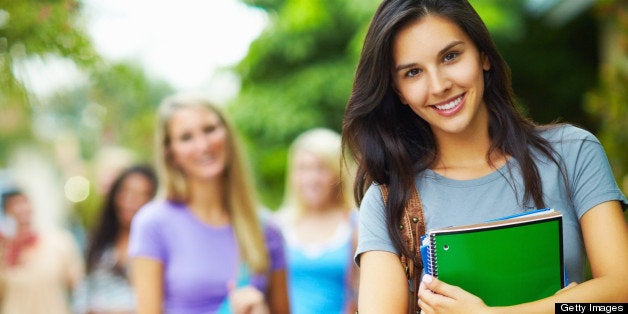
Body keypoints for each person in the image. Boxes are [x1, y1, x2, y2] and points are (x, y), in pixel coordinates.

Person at [341, 0, 628, 313]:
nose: (439, 85)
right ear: (398, 91)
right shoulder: (388, 200)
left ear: (484, 55)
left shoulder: (573, 152)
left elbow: (621, 294)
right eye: (413, 72)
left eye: (450, 56)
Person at [128, 94, 290, 314]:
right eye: (186, 137)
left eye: (210, 129)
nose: (203, 145)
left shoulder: (265, 227)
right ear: (171, 154)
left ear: (227, 135)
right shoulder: (153, 223)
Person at [274, 128, 358, 314]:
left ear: (338, 173)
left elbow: (362, 293)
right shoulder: (278, 226)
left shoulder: (355, 225)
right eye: (303, 168)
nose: (311, 179)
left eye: (321, 168)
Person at [73, 165, 158, 314]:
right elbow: (83, 293)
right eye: (126, 192)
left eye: (141, 194)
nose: (130, 201)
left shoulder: (156, 246)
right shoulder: (99, 242)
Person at [0, 188, 84, 314]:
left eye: (24, 202)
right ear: (6, 211)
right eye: (13, 204)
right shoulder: (3, 250)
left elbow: (79, 286)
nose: (20, 209)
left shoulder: (59, 242)